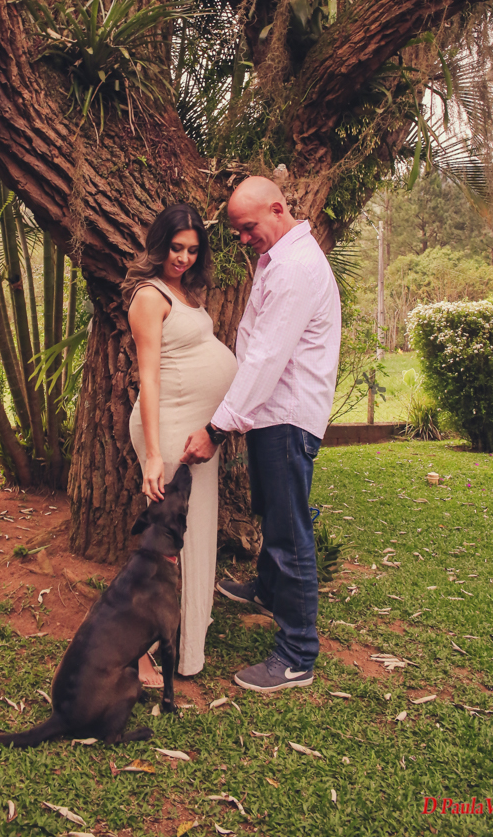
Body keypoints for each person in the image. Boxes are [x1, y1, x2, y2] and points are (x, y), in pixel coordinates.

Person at [181, 176, 341, 693]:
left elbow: (267, 359)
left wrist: (217, 428)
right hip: (274, 414)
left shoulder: (294, 267)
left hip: (288, 416)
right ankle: (270, 591)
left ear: (276, 209)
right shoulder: (279, 258)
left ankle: (297, 655)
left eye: (248, 228)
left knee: (290, 530)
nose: (244, 239)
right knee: (273, 513)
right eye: (238, 232)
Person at [125, 202, 237, 683]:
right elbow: (147, 380)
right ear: (159, 243)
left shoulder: (185, 292)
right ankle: (139, 652)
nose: (184, 258)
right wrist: (153, 456)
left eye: (193, 250)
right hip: (168, 431)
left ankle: (184, 645)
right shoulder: (149, 297)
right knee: (167, 547)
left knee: (193, 539)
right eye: (176, 248)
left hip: (197, 434)